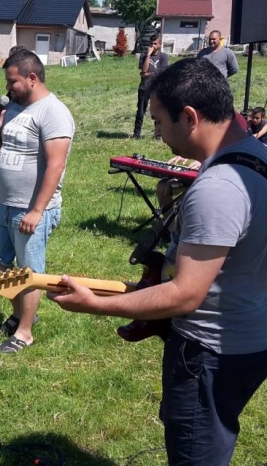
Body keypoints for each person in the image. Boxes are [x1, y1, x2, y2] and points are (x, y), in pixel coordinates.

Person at [50, 58, 267, 465]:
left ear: (189, 117)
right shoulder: (258, 156)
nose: (156, 133)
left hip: (207, 352)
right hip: (249, 337)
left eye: (159, 122)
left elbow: (185, 296)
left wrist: (96, 303)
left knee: (196, 454)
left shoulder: (219, 188)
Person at [0, 50, 74, 353]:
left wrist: (37, 210)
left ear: (32, 78)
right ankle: (22, 312)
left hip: (32, 207)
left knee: (30, 271)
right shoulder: (14, 107)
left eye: (13, 81)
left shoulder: (54, 112)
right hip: (4, 202)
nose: (8, 88)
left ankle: (24, 333)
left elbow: (56, 165)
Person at [133, 33, 168, 139]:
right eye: (151, 43)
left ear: (160, 44)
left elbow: (162, 72)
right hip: (144, 87)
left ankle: (157, 135)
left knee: (158, 111)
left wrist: (148, 74)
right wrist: (148, 55)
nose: (152, 46)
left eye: (155, 43)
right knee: (140, 111)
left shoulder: (163, 56)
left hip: (157, 88)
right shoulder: (144, 55)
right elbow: (144, 70)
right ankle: (136, 133)